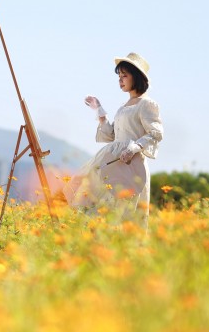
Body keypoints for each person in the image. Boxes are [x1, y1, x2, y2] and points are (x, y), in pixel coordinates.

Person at [62, 52, 163, 230]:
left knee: (126, 213)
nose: (120, 80)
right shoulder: (124, 107)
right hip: (113, 162)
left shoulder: (146, 104)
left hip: (131, 166)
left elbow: (156, 132)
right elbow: (113, 136)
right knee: (97, 204)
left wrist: (136, 146)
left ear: (137, 77)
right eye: (119, 76)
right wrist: (100, 112)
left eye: (125, 75)